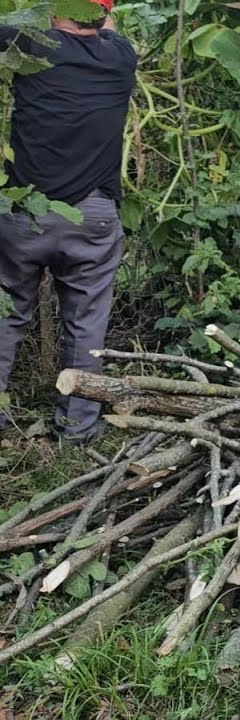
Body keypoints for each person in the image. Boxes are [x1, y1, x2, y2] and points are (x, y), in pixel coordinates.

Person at [0, 0, 136, 443]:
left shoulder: (27, 41)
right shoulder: (121, 57)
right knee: (86, 322)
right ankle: (77, 427)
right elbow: (106, 27)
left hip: (28, 212)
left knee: (5, 317)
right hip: (92, 215)